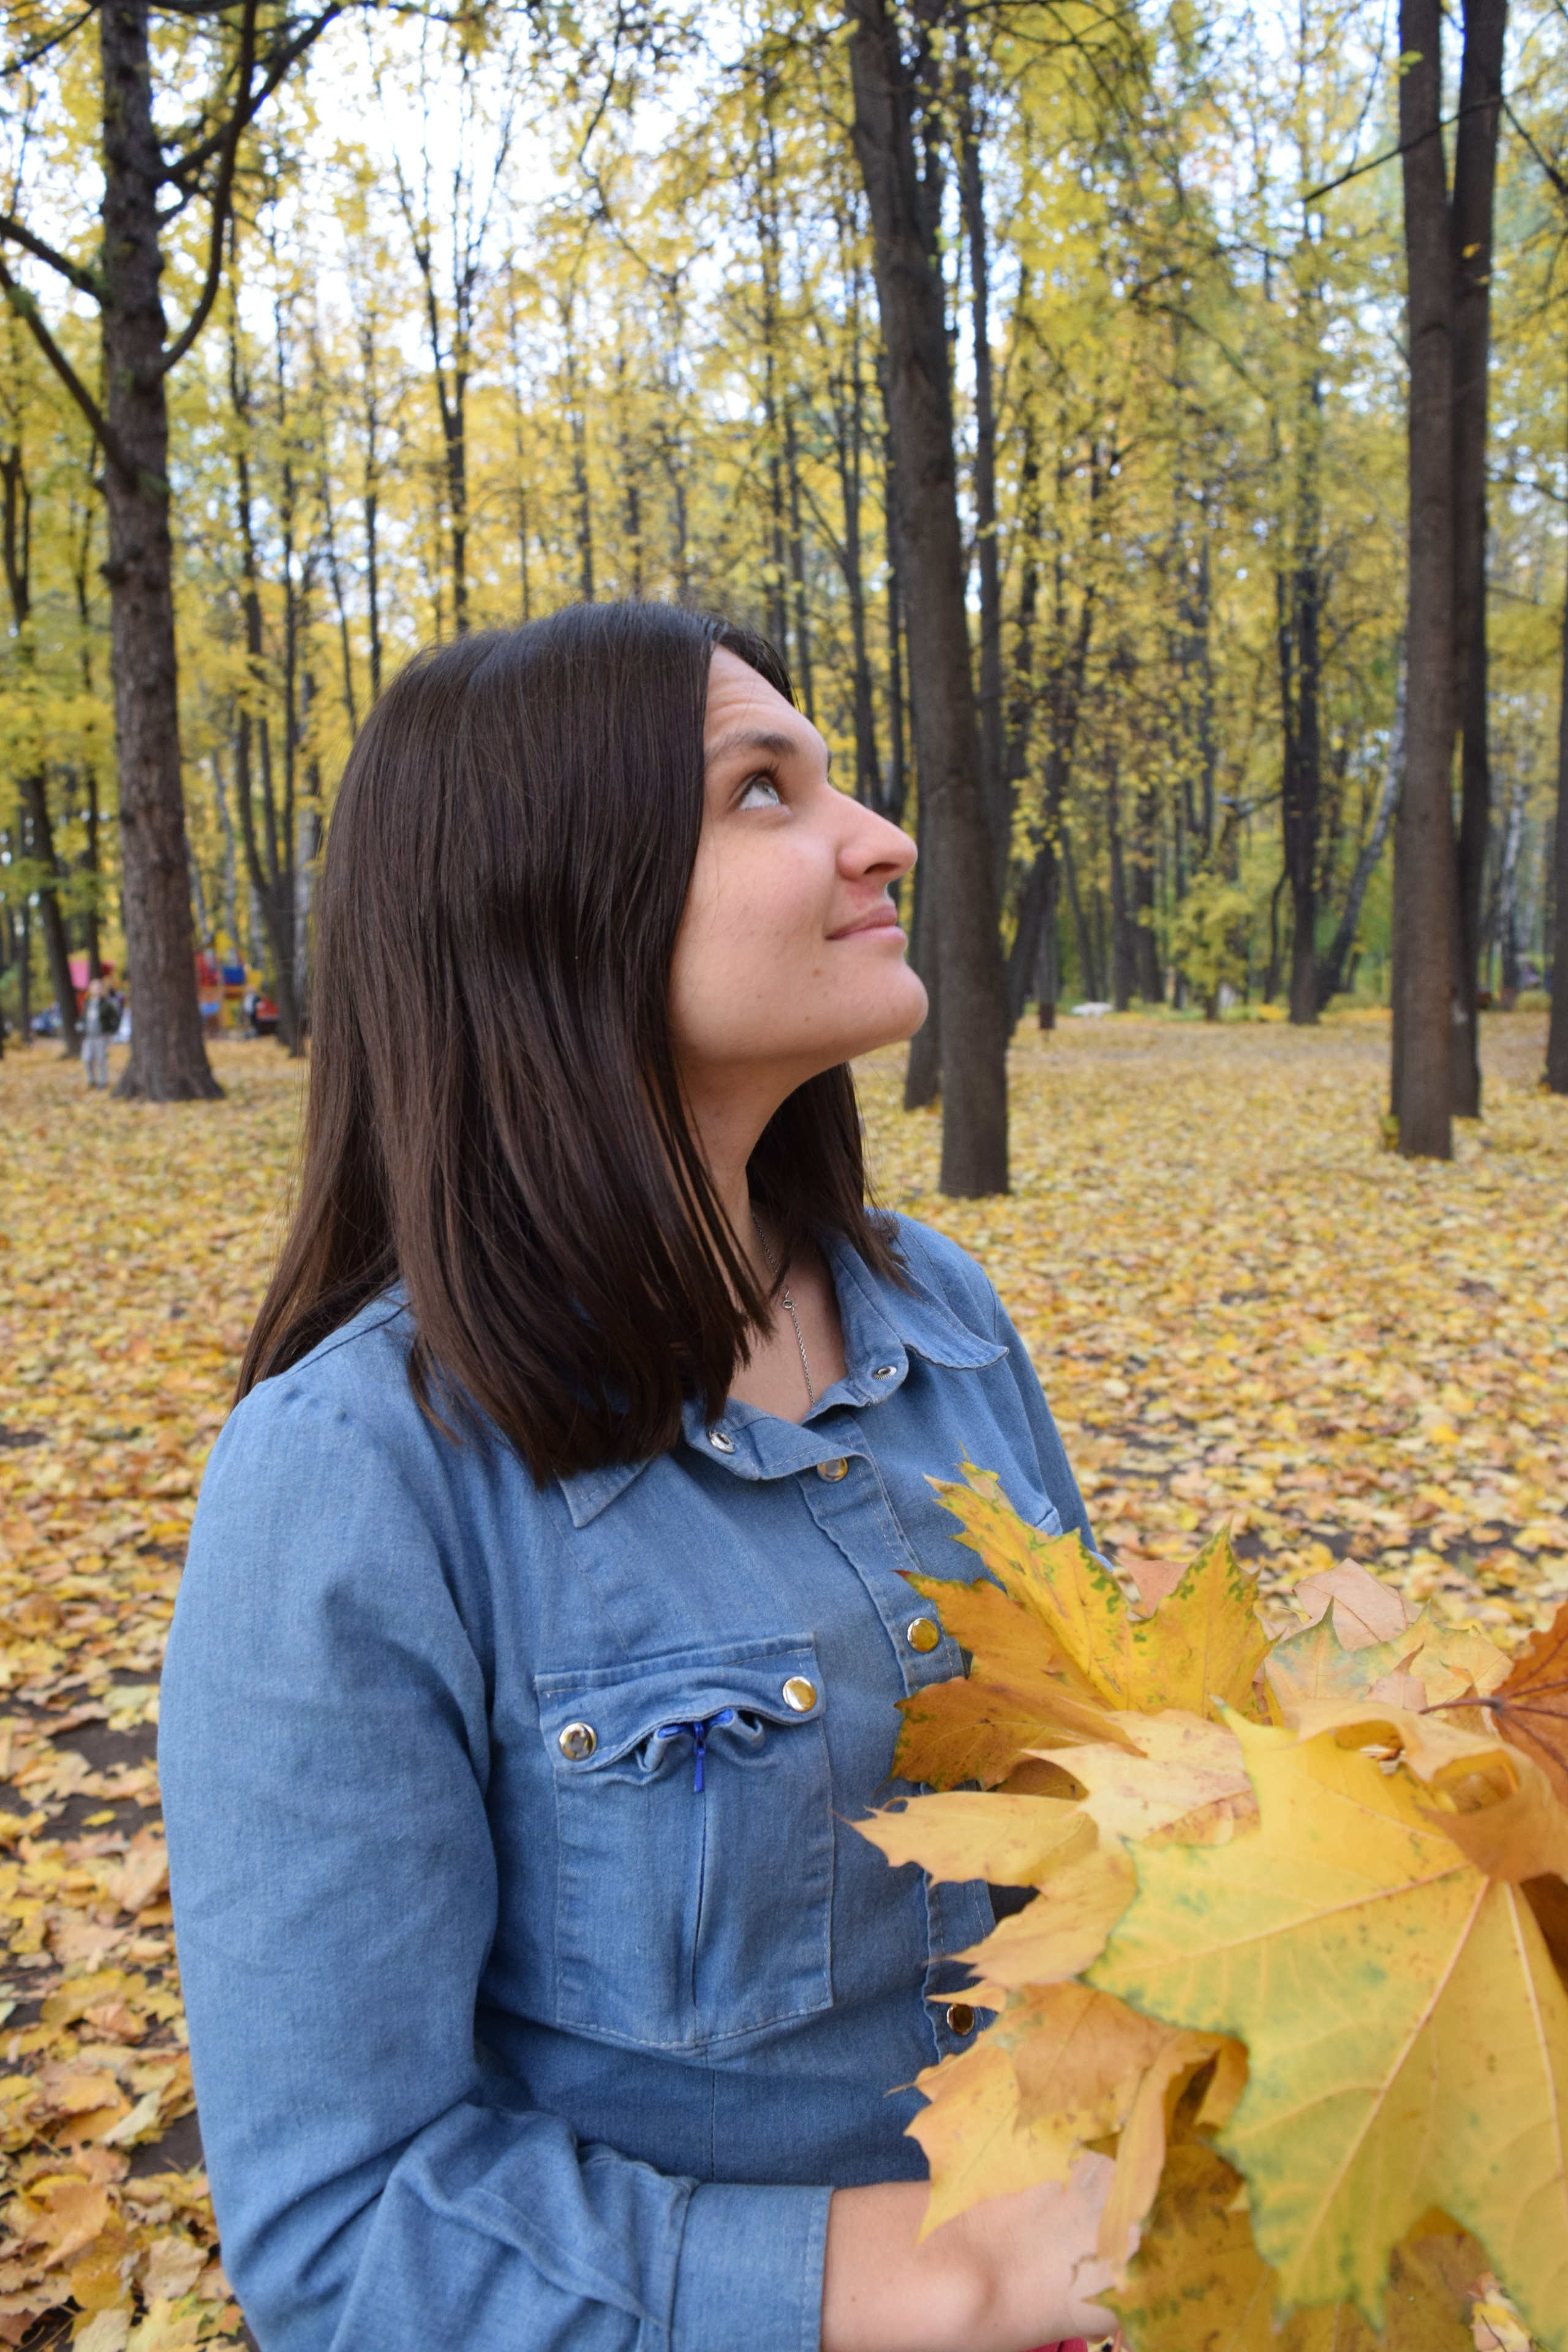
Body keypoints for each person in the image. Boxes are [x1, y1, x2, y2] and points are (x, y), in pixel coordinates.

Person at [159, 603, 1116, 2352]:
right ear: (544, 906)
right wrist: (951, 2274)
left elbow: (1107, 1833)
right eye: (764, 792)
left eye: (833, 778)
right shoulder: (361, 1475)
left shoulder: (944, 1319)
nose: (877, 836)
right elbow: (346, 2228)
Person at [81, 977, 113, 1089]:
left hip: (101, 1037)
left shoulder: (107, 1004)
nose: (96, 989)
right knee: (87, 1059)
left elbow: (114, 1019)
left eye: (99, 987)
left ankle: (103, 1082)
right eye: (94, 987)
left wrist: (110, 1031)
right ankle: (92, 1080)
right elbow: (84, 1018)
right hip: (89, 1036)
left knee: (101, 1060)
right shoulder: (87, 1003)